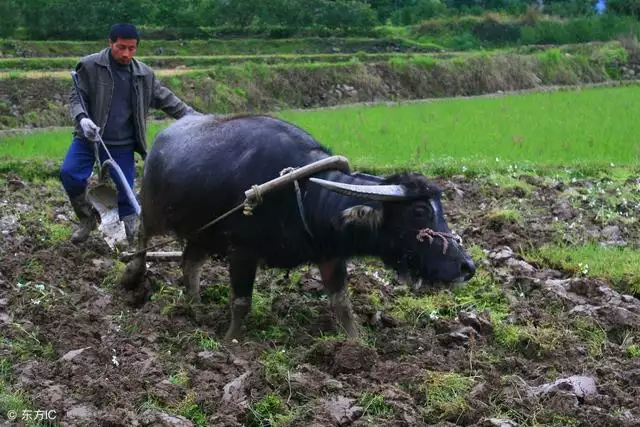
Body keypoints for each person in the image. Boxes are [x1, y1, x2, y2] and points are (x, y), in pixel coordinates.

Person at [60, 23, 199, 245]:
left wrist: (198, 119)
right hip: (89, 139)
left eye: (132, 49)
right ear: (110, 43)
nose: (126, 54)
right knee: (69, 173)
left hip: (122, 144)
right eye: (121, 47)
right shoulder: (89, 66)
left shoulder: (144, 74)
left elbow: (169, 101)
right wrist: (82, 119)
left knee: (127, 193)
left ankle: (133, 236)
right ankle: (87, 219)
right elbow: (77, 98)